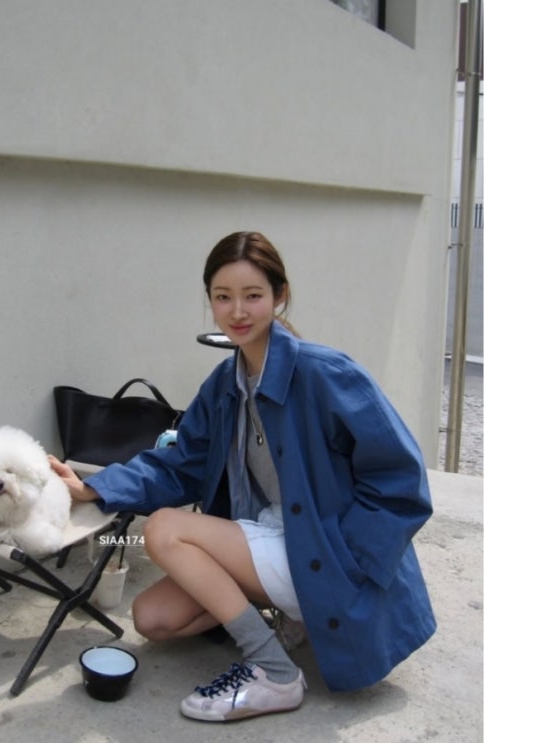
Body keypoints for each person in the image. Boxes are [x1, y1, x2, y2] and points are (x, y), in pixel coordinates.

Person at [50, 231, 436, 723]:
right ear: (209, 301)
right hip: (274, 534)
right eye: (222, 297)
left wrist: (353, 562)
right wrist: (94, 486)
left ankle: (274, 672)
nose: (237, 311)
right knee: (153, 619)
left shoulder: (326, 374)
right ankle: (295, 616)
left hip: (326, 550)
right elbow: (181, 463)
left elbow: (401, 477)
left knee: (164, 529)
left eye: (253, 295)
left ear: (279, 295)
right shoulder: (224, 386)